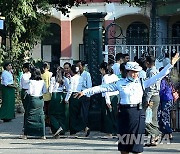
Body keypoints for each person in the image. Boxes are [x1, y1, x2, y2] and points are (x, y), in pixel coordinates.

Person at [74, 53, 179, 154]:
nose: (135, 74)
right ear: (127, 71)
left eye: (136, 72)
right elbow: (102, 88)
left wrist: (171, 64)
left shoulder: (142, 82)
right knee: (124, 146)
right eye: (132, 72)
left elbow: (160, 75)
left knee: (137, 147)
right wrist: (85, 92)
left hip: (138, 114)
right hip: (124, 114)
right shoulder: (119, 83)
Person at [23, 67, 47, 140]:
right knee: (41, 116)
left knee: (29, 115)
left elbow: (30, 92)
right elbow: (45, 91)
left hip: (33, 99)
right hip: (40, 99)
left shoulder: (31, 82)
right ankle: (42, 134)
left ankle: (26, 134)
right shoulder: (42, 81)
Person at [65, 65, 87, 136]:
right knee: (79, 113)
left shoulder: (72, 78)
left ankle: (74, 130)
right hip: (80, 94)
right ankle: (84, 127)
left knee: (73, 114)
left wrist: (66, 98)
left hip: (74, 95)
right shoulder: (81, 78)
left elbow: (70, 89)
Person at [99, 62, 119, 137]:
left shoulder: (105, 77)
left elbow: (105, 89)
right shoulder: (115, 76)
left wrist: (107, 101)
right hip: (116, 96)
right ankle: (116, 130)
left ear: (103, 69)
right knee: (114, 114)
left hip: (108, 97)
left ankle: (109, 132)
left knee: (108, 115)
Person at [49, 66, 69, 138]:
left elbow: (50, 90)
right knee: (61, 114)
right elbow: (68, 89)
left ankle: (57, 127)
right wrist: (66, 98)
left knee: (52, 114)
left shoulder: (53, 79)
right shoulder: (65, 79)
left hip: (54, 96)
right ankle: (62, 128)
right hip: (62, 95)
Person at [145, 55, 161, 142]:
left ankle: (154, 135)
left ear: (147, 63)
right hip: (155, 96)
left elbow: (151, 87)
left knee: (148, 117)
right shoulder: (156, 70)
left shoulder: (151, 72)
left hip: (152, 97)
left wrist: (147, 99)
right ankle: (155, 135)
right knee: (153, 117)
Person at [76, 60, 92, 136]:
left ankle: (86, 127)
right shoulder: (77, 75)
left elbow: (89, 85)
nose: (78, 67)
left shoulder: (87, 74)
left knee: (84, 112)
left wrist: (88, 95)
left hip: (85, 94)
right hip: (78, 94)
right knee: (78, 112)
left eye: (79, 66)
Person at [158, 67, 174, 140]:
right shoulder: (169, 80)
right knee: (166, 115)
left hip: (164, 99)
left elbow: (161, 90)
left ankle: (168, 131)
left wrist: (158, 96)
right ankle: (166, 132)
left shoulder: (163, 80)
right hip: (169, 99)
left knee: (164, 116)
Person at [20, 62, 31, 132]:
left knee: (26, 110)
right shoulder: (32, 75)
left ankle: (25, 125)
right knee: (30, 110)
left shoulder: (23, 76)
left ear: (25, 69)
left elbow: (21, 85)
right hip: (31, 92)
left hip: (24, 91)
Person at [41, 62, 53, 127]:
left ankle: (45, 122)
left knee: (44, 110)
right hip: (49, 95)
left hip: (43, 95)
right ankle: (49, 123)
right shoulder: (50, 74)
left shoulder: (41, 75)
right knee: (49, 110)